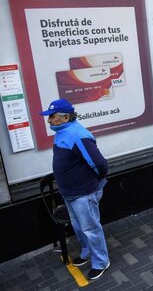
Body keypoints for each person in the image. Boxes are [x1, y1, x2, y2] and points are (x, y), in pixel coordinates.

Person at [40, 99, 109, 280]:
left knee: (90, 228)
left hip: (83, 193)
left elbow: (100, 164)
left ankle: (101, 261)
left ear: (65, 117)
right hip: (70, 193)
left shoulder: (78, 134)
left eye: (52, 117)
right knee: (79, 227)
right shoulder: (62, 131)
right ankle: (87, 252)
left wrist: (94, 183)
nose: (49, 121)